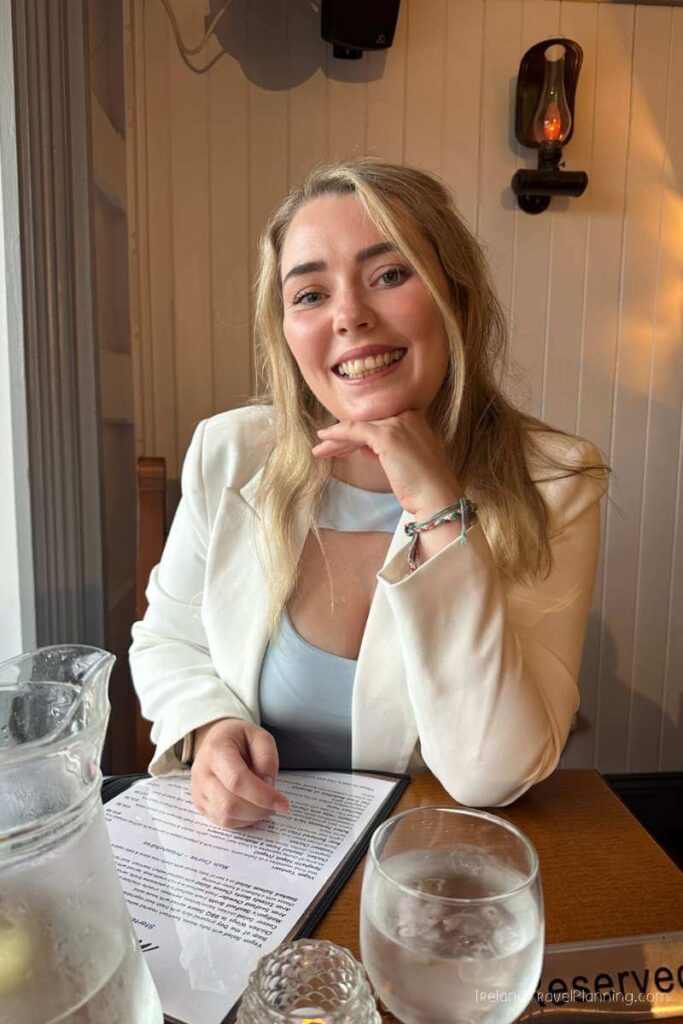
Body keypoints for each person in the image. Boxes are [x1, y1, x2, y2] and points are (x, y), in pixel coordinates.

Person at [130, 157, 609, 830]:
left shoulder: (555, 481)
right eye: (309, 294)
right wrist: (208, 726)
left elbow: (493, 772)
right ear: (285, 330)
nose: (349, 316)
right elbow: (167, 641)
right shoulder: (229, 451)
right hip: (254, 853)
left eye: (388, 275)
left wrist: (440, 513)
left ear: (457, 297)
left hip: (428, 857)